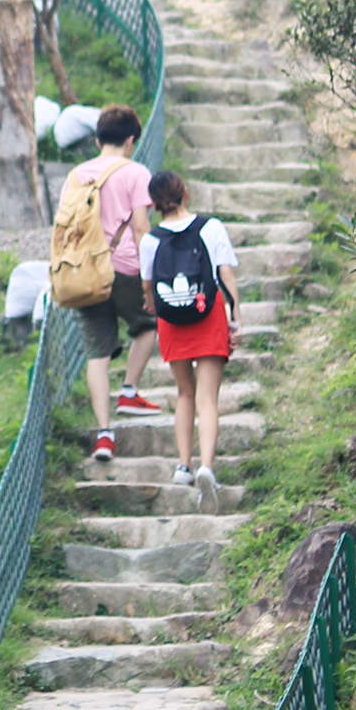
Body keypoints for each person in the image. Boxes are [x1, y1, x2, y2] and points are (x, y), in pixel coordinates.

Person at [63, 106, 161, 464]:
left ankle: (104, 435)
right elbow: (141, 227)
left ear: (97, 140)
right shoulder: (136, 172)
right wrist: (148, 278)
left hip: (84, 271)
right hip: (124, 268)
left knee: (97, 355)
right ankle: (129, 392)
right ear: (131, 140)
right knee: (148, 325)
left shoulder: (76, 175)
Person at [139, 168, 239, 506]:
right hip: (208, 313)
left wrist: (154, 305)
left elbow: (148, 288)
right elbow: (226, 277)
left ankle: (184, 465)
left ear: (154, 203)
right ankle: (206, 467)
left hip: (172, 320)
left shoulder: (150, 240)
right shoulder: (211, 227)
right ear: (185, 193)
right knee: (207, 398)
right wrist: (235, 321)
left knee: (185, 392)